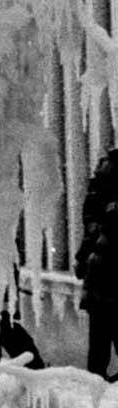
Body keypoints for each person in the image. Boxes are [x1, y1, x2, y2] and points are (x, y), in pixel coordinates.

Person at [74, 148, 118, 379]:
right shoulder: (106, 206)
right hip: (107, 274)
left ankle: (96, 383)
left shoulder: (99, 192)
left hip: (100, 275)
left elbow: (90, 231)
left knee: (99, 339)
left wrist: (82, 259)